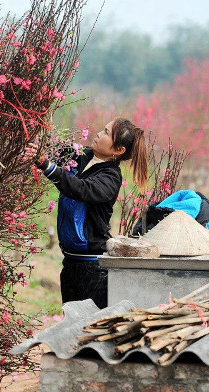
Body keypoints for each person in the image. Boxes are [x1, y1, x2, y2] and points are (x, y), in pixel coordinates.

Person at [34, 118, 148, 309]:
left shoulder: (110, 178)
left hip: (93, 268)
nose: (98, 134)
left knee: (87, 326)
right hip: (70, 262)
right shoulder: (81, 155)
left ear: (118, 150)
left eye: (105, 132)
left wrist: (48, 167)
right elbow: (53, 147)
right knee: (69, 322)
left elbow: (81, 189)